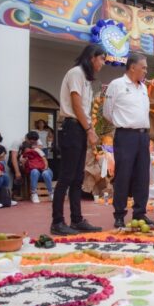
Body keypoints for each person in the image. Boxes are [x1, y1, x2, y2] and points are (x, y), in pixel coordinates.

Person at [51, 44, 105, 236]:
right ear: (92, 57)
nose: (103, 63)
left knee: (77, 178)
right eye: (102, 59)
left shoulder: (86, 80)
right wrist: (89, 129)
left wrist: (89, 130)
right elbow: (76, 104)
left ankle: (76, 219)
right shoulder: (76, 73)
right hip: (72, 127)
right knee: (66, 177)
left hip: (80, 128)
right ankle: (57, 221)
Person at [103, 53, 154, 228]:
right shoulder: (116, 85)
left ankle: (140, 213)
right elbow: (107, 112)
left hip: (143, 136)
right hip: (125, 136)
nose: (146, 71)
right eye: (144, 67)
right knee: (123, 175)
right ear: (133, 67)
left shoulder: (142, 87)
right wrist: (124, 124)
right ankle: (119, 215)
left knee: (143, 175)